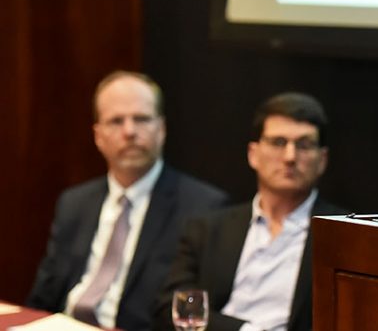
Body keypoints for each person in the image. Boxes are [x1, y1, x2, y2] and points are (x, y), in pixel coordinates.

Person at [26, 71, 228, 330]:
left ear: (162, 129)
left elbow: (186, 310)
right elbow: (44, 294)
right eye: (116, 121)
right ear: (98, 136)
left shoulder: (202, 207)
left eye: (141, 119)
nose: (130, 131)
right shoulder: (74, 203)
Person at [155, 92, 344, 331]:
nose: (290, 156)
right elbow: (170, 306)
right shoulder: (209, 229)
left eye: (304, 145)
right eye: (278, 142)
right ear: (253, 154)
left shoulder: (342, 236)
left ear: (322, 160)